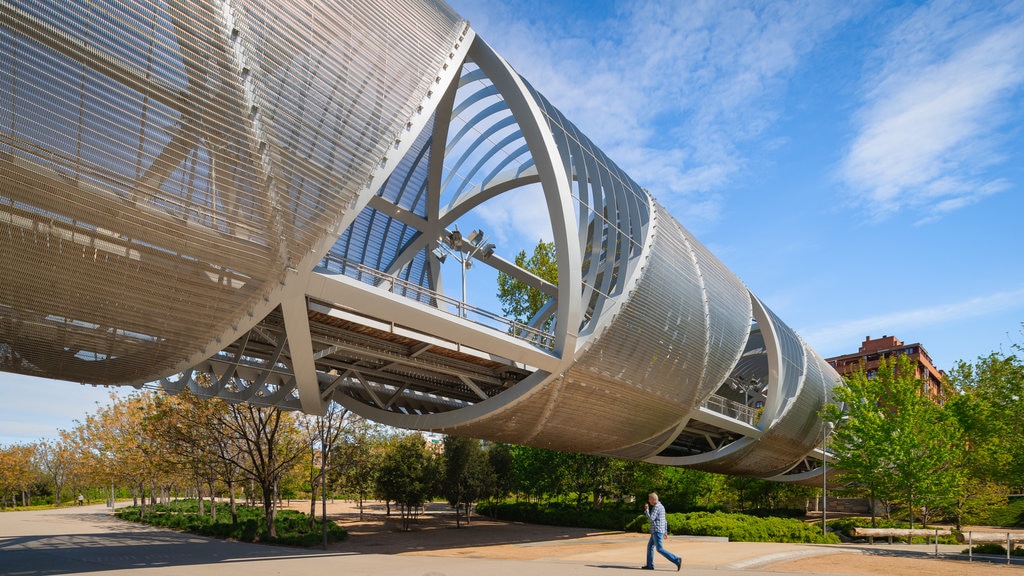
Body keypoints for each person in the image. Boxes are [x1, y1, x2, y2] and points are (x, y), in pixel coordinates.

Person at [642, 492, 681, 571]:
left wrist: (646, 510)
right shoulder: (662, 506)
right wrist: (665, 531)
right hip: (658, 531)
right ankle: (650, 565)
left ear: (653, 499)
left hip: (656, 531)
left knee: (659, 549)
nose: (649, 501)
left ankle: (677, 560)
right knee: (650, 547)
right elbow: (664, 521)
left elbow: (651, 519)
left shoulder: (656, 507)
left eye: (649, 500)